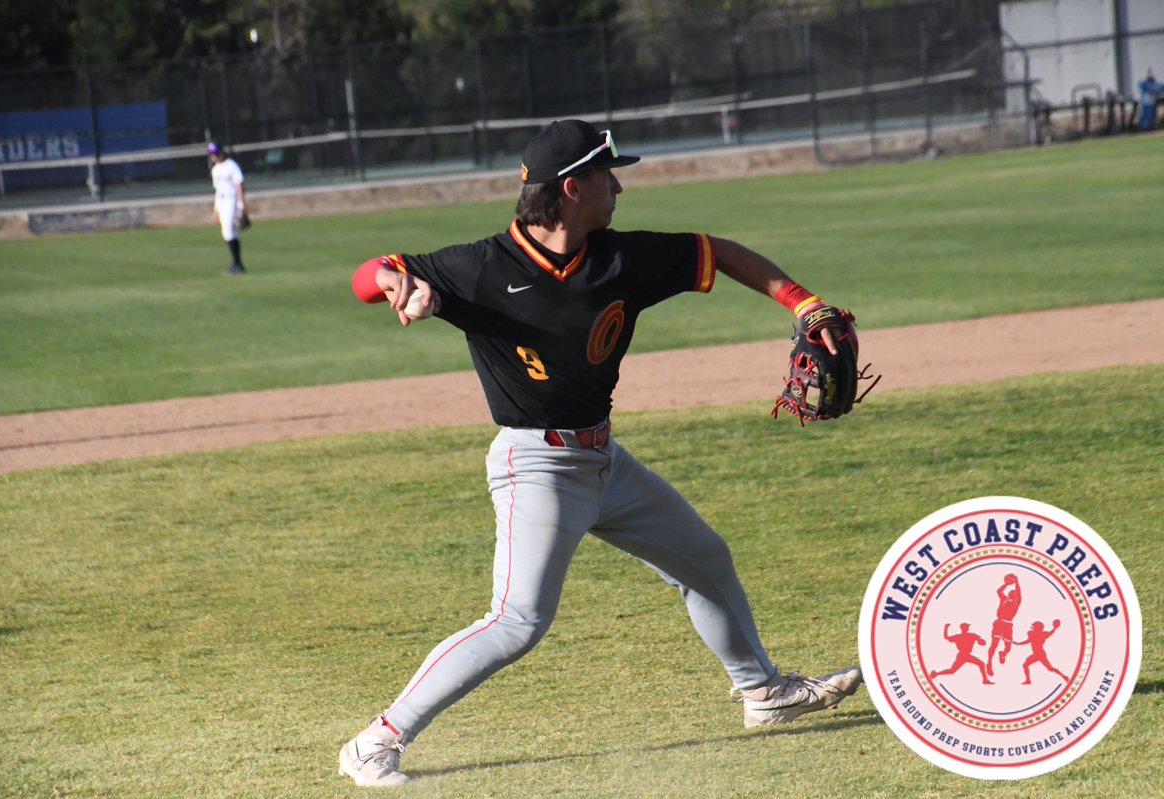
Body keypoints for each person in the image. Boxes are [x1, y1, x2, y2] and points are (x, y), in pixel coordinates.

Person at [340, 119, 863, 788]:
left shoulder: (621, 258)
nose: (618, 185)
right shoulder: (481, 268)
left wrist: (804, 301)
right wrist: (392, 280)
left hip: (604, 461)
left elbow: (720, 251)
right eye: (608, 176)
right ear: (571, 188)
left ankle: (762, 692)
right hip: (536, 467)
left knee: (704, 558)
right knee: (517, 620)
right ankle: (375, 742)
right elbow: (368, 275)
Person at [208, 141, 248, 275]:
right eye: (212, 154)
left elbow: (239, 185)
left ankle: (237, 264)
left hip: (232, 199)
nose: (214, 156)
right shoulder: (215, 169)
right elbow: (218, 191)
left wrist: (241, 205)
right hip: (222, 201)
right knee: (230, 232)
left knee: (228, 231)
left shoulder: (231, 165)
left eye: (216, 153)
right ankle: (237, 264)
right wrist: (216, 209)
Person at [929, 623, 993, 685]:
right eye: (967, 627)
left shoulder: (968, 635)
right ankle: (936, 673)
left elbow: (983, 642)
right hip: (963, 655)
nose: (968, 628)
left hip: (964, 655)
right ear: (966, 628)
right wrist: (946, 627)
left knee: (952, 670)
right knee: (952, 671)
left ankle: (936, 673)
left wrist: (946, 628)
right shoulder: (967, 636)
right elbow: (946, 637)